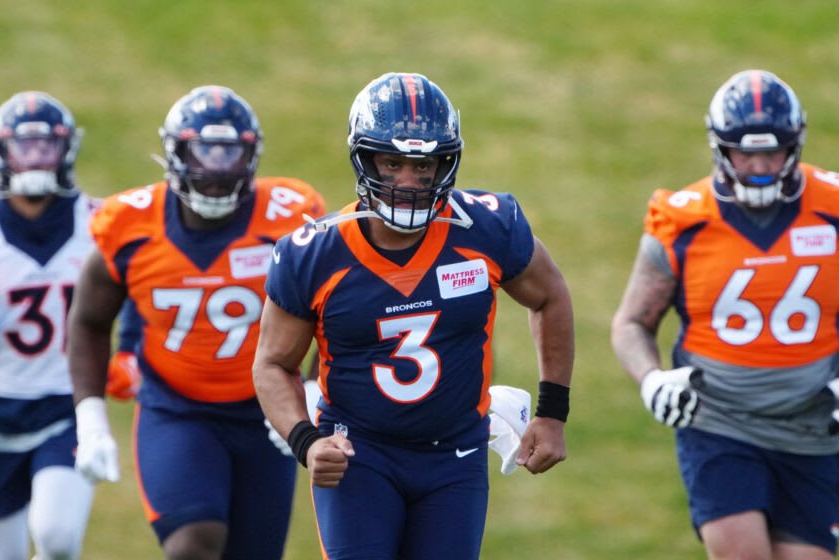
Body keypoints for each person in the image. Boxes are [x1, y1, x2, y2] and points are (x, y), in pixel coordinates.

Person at [252, 72, 575, 559]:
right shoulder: (313, 254)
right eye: (392, 162)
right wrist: (306, 441)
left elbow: (550, 296)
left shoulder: (486, 227)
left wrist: (552, 414)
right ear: (364, 159)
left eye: (425, 166)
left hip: (455, 457)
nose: (409, 181)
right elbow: (273, 364)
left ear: (447, 162)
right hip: (359, 453)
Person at [66, 85, 326, 560]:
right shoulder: (129, 224)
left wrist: (310, 390)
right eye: (203, 153)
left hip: (267, 411)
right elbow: (87, 319)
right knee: (193, 545)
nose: (215, 172)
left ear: (251, 156)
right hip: (176, 409)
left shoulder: (289, 217)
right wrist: (89, 416)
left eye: (230, 155)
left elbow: (333, 311)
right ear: (174, 153)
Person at [611, 69, 839, 560]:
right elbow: (632, 322)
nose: (758, 165)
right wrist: (652, 380)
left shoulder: (833, 208)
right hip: (720, 418)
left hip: (814, 423)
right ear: (720, 148)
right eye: (745, 152)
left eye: (771, 152)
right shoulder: (683, 219)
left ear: (794, 146)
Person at [0, 92, 96, 559]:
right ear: (2, 152)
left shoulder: (100, 221)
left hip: (64, 409)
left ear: (66, 149)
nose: (35, 158)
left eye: (45, 146)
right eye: (24, 146)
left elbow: (139, 296)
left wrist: (132, 351)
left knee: (57, 538)